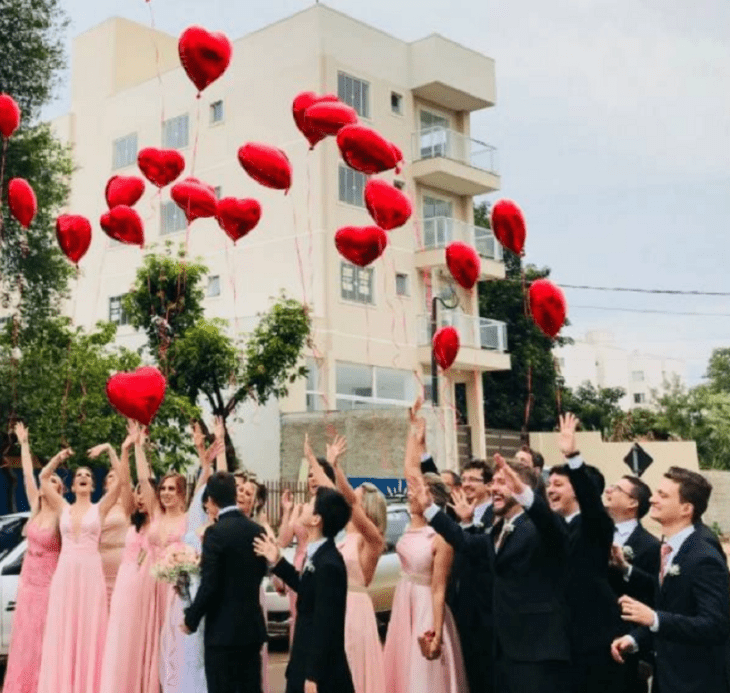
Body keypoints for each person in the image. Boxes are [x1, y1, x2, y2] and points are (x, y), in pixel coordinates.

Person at [418, 453, 570, 693]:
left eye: (503, 482)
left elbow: (551, 526)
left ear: (523, 490)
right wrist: (429, 509)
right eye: (494, 482)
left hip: (537, 651)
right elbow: (465, 542)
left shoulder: (542, 528)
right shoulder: (499, 529)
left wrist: (524, 494)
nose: (494, 489)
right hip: (503, 647)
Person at [612, 467, 730, 693]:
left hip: (696, 682)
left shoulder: (703, 555)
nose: (653, 500)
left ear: (686, 508)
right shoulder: (670, 548)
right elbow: (674, 607)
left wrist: (654, 619)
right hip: (668, 679)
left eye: (663, 495)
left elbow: (715, 624)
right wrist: (634, 639)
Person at [383, 417, 467, 693]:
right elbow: (409, 468)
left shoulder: (441, 536)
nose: (410, 495)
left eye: (418, 492)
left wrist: (437, 630)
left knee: (423, 676)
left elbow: (438, 589)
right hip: (402, 601)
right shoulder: (412, 522)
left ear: (432, 499)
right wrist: (412, 430)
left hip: (424, 605)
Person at [37, 443, 123, 693]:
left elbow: (122, 483)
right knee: (64, 630)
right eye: (79, 475)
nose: (83, 477)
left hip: (90, 574)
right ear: (73, 486)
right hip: (65, 575)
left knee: (90, 631)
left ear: (92, 486)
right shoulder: (63, 507)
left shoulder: (101, 508)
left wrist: (109, 450)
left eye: (87, 475)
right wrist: (59, 457)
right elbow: (43, 477)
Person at [546, 413, 622, 693]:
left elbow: (592, 504)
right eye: (549, 484)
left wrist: (573, 457)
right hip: (560, 637)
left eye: (558, 485)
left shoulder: (596, 524)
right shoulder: (553, 526)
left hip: (594, 636)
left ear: (577, 489)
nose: (550, 490)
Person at [255, 486, 355, 693]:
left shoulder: (329, 564)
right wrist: (278, 561)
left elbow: (325, 623)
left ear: (316, 520)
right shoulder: (318, 555)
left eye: (310, 503)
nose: (304, 506)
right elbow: (306, 588)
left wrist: (313, 676)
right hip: (304, 658)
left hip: (320, 671)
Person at [308, 434, 387, 693]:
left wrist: (335, 467)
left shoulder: (372, 538)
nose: (351, 495)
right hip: (337, 603)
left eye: (357, 494)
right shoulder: (344, 535)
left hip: (354, 608)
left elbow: (345, 499)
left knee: (351, 665)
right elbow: (334, 494)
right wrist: (316, 462)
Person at [184, 471, 269, 693]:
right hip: (250, 629)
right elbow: (261, 571)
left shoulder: (215, 533)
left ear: (211, 502)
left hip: (222, 632)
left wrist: (191, 618)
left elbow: (209, 583)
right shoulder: (257, 530)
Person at [159, 419, 226, 693]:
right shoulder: (192, 527)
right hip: (189, 597)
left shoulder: (221, 529)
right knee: (186, 654)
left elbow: (222, 481)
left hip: (213, 597)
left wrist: (218, 448)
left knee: (207, 657)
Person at [3, 424, 63, 693]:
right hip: (28, 584)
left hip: (50, 586)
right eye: (47, 482)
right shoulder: (36, 510)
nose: (47, 486)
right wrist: (24, 444)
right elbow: (28, 474)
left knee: (44, 640)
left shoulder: (63, 517)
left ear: (60, 491)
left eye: (54, 483)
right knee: (24, 640)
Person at [136, 426, 189, 693]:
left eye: (172, 488)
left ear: (181, 493)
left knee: (173, 642)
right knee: (150, 638)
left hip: (175, 589)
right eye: (164, 488)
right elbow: (144, 481)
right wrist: (137, 446)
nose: (166, 492)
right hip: (151, 585)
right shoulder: (156, 513)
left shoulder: (188, 519)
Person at [99, 422, 151, 693]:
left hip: (132, 575)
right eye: (108, 478)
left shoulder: (131, 511)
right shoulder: (102, 509)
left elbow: (127, 480)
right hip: (110, 577)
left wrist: (125, 450)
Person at [605, 474, 660, 693]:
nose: (609, 490)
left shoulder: (649, 545)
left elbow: (653, 593)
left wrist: (626, 569)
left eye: (617, 488)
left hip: (626, 641)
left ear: (632, 503)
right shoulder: (598, 533)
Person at [445, 459, 495, 693]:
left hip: (485, 608)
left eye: (473, 480)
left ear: (488, 484)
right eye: (463, 479)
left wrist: (467, 522)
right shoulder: (456, 511)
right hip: (459, 603)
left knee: (483, 672)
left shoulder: (495, 515)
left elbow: (480, 553)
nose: (466, 484)